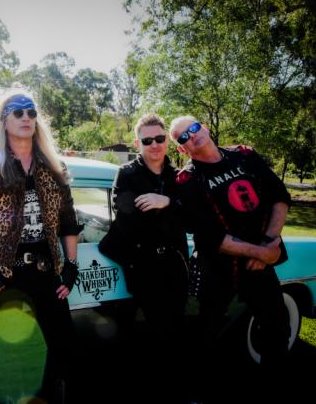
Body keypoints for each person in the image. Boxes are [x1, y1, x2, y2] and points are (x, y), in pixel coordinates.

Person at [0, 89, 81, 404]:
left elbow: (68, 221)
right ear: (4, 121)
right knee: (3, 356)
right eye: (17, 112)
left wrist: (71, 267)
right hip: (2, 278)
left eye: (31, 112)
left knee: (65, 351)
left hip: (47, 274)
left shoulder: (53, 167)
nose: (25, 118)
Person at [170, 115, 291, 398]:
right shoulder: (187, 180)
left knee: (276, 327)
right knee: (206, 332)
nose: (192, 136)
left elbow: (279, 196)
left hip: (260, 264)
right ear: (181, 149)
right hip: (217, 268)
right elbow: (211, 237)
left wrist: (269, 243)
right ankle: (197, 393)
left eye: (194, 128)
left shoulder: (245, 156)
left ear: (205, 127)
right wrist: (263, 252)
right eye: (183, 137)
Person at [98, 114, 189, 403]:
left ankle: (170, 387)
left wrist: (165, 202)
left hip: (175, 264)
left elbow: (192, 217)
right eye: (147, 140)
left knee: (174, 330)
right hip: (141, 263)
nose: (154, 145)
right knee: (148, 332)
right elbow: (127, 219)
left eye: (160, 138)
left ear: (166, 141)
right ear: (138, 143)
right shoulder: (126, 174)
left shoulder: (179, 176)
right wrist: (173, 212)